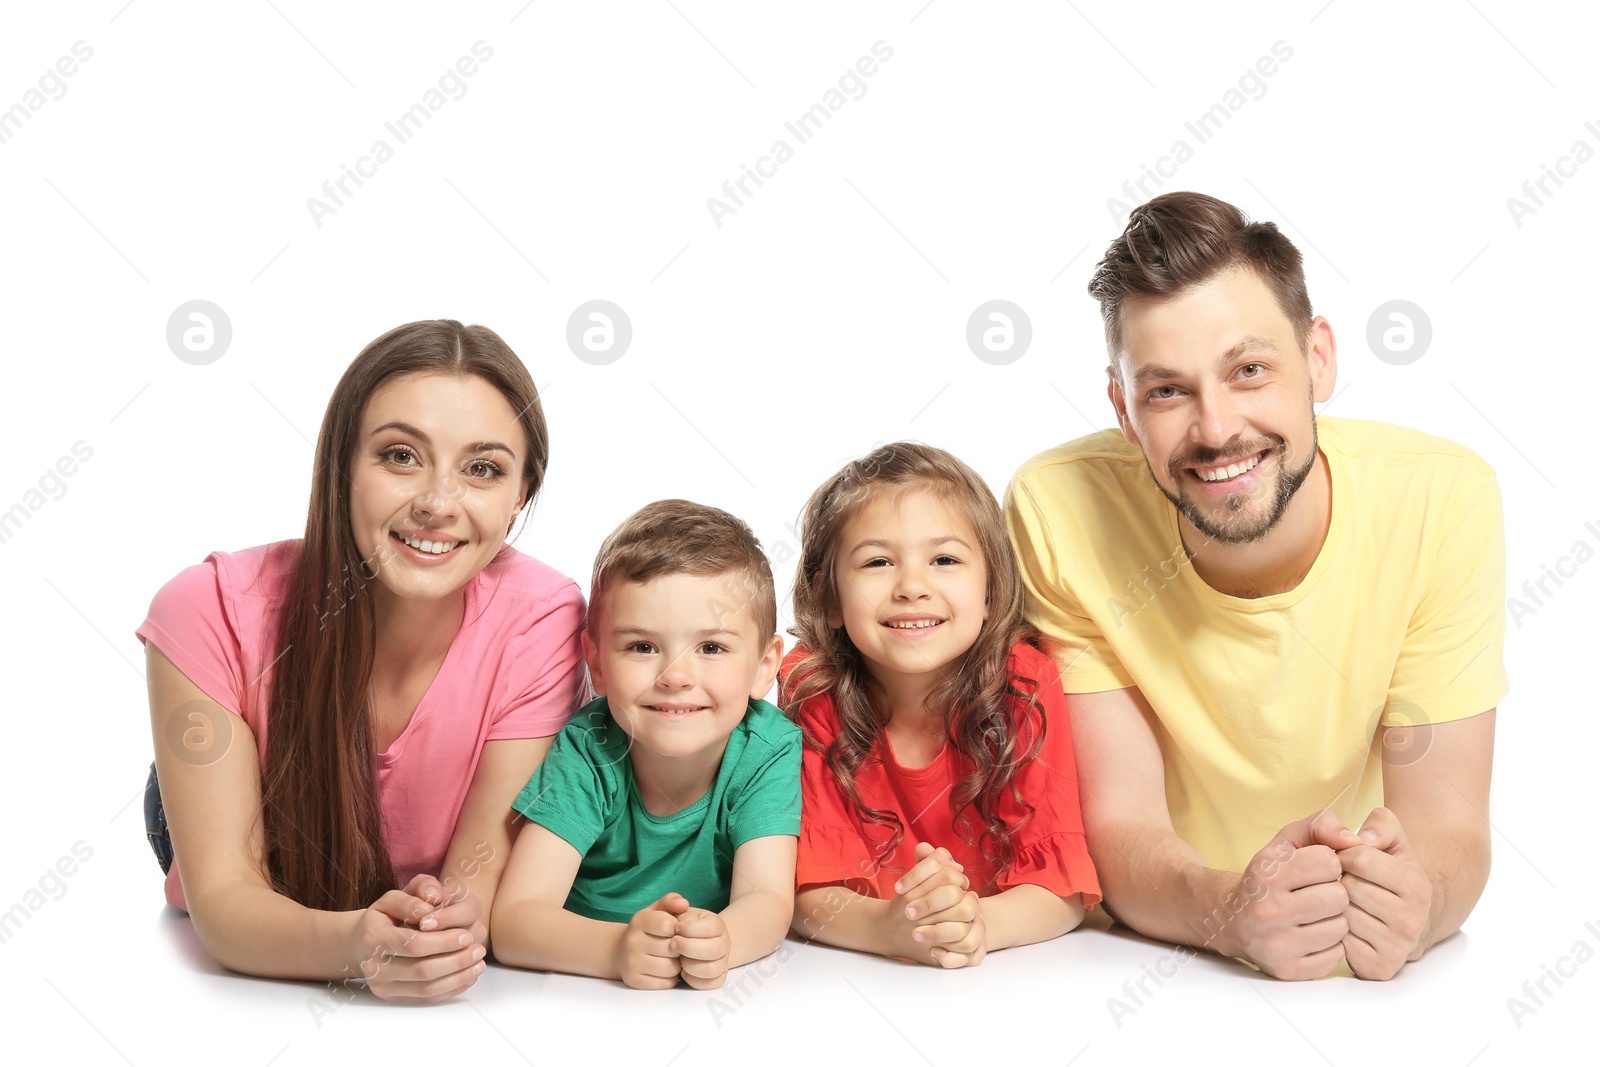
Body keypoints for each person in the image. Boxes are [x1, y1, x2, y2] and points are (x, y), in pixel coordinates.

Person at [1004, 191, 1506, 981]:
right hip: (1138, 963)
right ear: (1124, 411)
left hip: (1359, 966)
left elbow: (1451, 829)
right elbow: (1118, 821)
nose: (1215, 428)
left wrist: (1421, 905)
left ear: (1319, 358)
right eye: (1166, 389)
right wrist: (1228, 911)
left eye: (1248, 370)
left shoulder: (1442, 500)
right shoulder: (1059, 507)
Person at [139, 319, 586, 1002]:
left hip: (412, 858)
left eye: (483, 468)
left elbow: (477, 882)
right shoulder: (205, 607)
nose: (438, 503)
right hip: (247, 807)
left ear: (521, 491)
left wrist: (446, 924)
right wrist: (357, 945)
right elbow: (228, 905)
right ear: (341, 463)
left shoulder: (546, 615)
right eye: (401, 456)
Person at [781, 442, 1100, 968]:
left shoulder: (1023, 685)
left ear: (992, 592)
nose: (912, 587)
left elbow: (1062, 890)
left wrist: (975, 925)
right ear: (831, 599)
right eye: (878, 562)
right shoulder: (812, 687)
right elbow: (807, 895)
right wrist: (889, 930)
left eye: (945, 560)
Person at [491, 500, 800, 989]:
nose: (676, 676)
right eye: (642, 646)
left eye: (711, 648)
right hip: (582, 985)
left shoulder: (769, 747)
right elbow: (514, 923)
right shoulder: (588, 750)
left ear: (764, 667)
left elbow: (768, 899)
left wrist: (722, 940)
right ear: (595, 662)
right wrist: (616, 951)